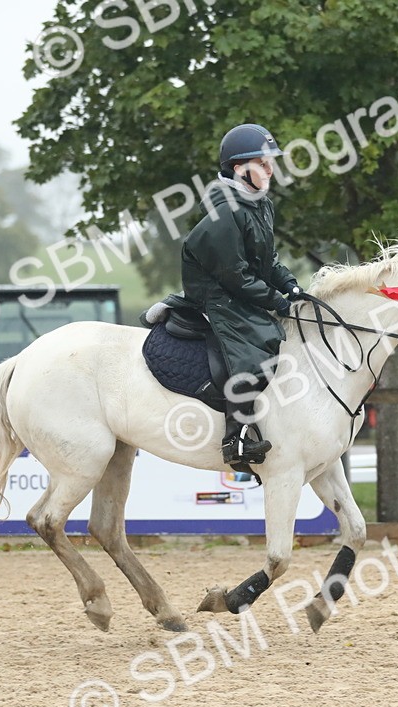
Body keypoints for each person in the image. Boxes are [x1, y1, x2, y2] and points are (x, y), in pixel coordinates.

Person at [176, 123, 302, 464]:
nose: (270, 169)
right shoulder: (224, 211)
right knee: (252, 352)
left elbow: (267, 261)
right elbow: (236, 276)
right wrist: (276, 301)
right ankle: (237, 440)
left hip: (240, 291)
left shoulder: (261, 205)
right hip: (218, 297)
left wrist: (290, 285)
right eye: (262, 163)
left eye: (270, 162)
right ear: (238, 168)